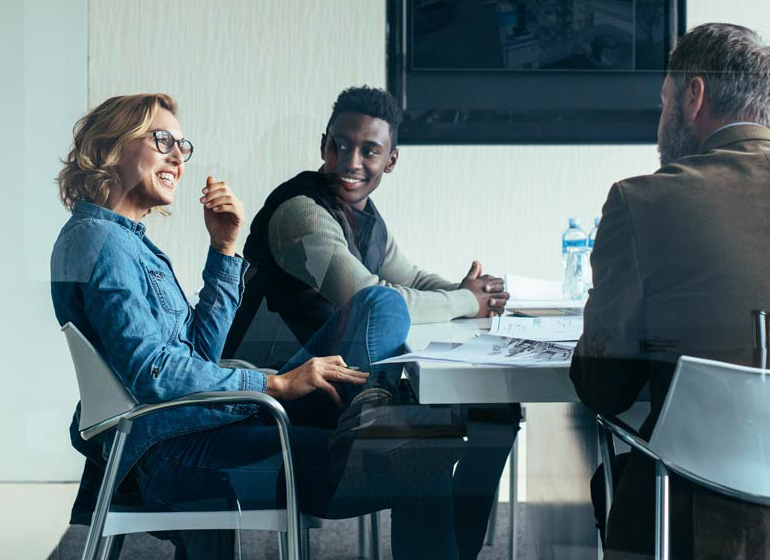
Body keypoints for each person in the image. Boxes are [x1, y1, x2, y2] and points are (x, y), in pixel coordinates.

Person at [51, 93, 460, 559]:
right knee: (420, 460)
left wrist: (224, 250)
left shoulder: (122, 243)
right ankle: (367, 423)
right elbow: (155, 373)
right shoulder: (104, 244)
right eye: (161, 139)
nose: (176, 158)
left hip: (199, 426)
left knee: (381, 306)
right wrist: (275, 383)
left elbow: (197, 357)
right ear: (110, 146)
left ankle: (366, 420)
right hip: (176, 451)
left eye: (181, 147)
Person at [227, 85, 520, 560]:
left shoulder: (366, 217)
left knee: (491, 414)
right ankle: (380, 425)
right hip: (274, 388)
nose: (350, 160)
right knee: (384, 323)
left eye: (369, 150)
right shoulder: (300, 213)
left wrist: (473, 294)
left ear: (392, 160)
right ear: (323, 145)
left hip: (336, 384)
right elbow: (373, 298)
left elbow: (414, 278)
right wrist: (464, 301)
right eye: (338, 145)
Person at [570, 23, 770, 560]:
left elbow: (604, 386)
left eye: (663, 103)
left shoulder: (644, 202)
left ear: (694, 95)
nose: (661, 123)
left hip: (686, 518)